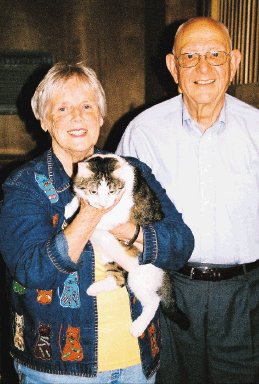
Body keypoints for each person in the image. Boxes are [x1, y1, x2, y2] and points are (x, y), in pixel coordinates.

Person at [0, 62, 194, 384]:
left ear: (100, 116)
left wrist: (126, 229)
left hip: (136, 358)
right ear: (44, 120)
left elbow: (181, 245)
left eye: (87, 106)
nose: (77, 116)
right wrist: (92, 210)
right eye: (62, 108)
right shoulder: (25, 185)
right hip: (59, 369)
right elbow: (32, 272)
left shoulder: (132, 171)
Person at [116, 16, 259, 384]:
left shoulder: (257, 130)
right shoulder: (143, 132)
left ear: (235, 62)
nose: (204, 67)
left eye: (215, 54)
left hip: (246, 297)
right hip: (170, 289)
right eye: (190, 56)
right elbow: (116, 211)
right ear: (172, 66)